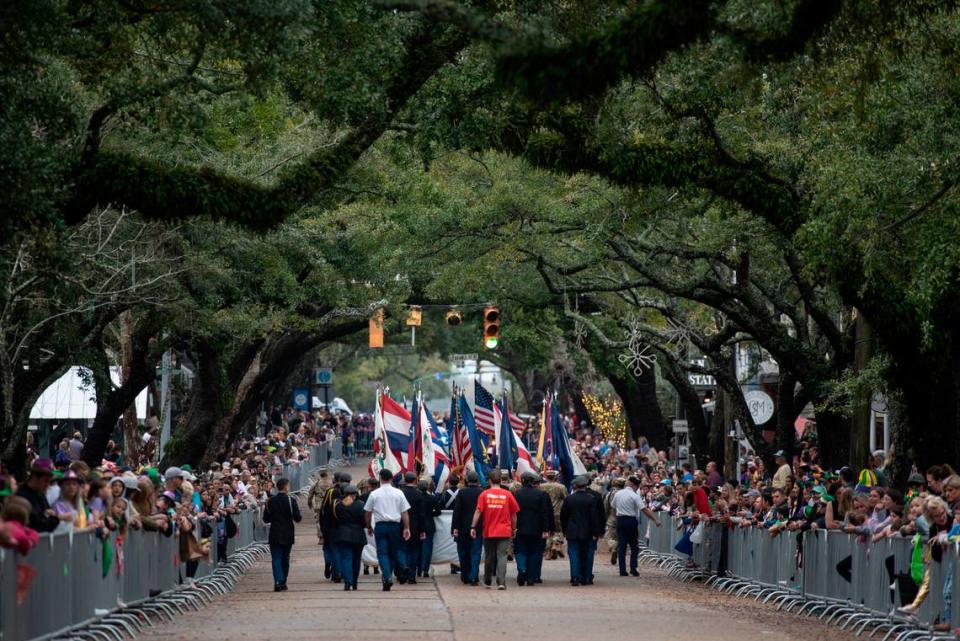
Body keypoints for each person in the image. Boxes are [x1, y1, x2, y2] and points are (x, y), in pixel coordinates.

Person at [470, 469, 519, 590]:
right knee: (502, 556)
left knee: (489, 555)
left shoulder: (484, 494)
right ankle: (501, 581)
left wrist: (473, 526)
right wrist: (514, 528)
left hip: (489, 530)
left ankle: (487, 580)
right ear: (501, 480)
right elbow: (514, 514)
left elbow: (478, 511)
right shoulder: (508, 494)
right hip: (504, 530)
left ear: (490, 480)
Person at [364, 468, 411, 591]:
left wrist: (369, 526)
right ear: (391, 479)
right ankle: (399, 566)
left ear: (380, 479)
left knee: (382, 553)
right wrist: (406, 528)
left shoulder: (374, 494)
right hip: (395, 526)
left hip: (380, 526)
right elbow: (404, 512)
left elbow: (368, 512)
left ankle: (387, 577)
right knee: (394, 551)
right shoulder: (399, 493)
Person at [612, 476, 661, 577]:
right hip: (630, 520)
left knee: (622, 545)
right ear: (635, 486)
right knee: (634, 545)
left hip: (620, 519)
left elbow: (613, 507)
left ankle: (622, 569)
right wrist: (655, 520)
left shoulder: (618, 494)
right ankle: (633, 568)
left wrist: (616, 517)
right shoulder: (634, 496)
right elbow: (644, 509)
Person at [560, 475, 602, 586]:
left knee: (574, 554)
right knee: (588, 554)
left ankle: (575, 577)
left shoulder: (569, 499)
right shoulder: (591, 498)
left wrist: (564, 530)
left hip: (572, 530)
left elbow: (563, 516)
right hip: (588, 531)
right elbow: (594, 517)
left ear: (575, 486)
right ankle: (587, 577)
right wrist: (595, 532)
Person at [262, 477, 302, 592]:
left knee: (276, 558)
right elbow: (297, 518)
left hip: (274, 531)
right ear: (286, 487)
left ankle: (278, 580)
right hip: (288, 532)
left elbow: (266, 518)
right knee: (285, 558)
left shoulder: (270, 501)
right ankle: (283, 580)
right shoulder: (291, 500)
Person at [513, 472, 552, 586]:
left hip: (520, 527)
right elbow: (544, 513)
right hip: (537, 528)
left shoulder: (516, 494)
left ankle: (522, 569)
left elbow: (513, 512)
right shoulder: (541, 494)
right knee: (535, 553)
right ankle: (530, 577)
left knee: (520, 550)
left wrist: (512, 527)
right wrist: (546, 529)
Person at [451, 472, 483, 585]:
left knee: (463, 552)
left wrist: (454, 527)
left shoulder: (462, 492)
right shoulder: (482, 492)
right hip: (478, 527)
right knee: (475, 553)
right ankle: (474, 576)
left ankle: (465, 575)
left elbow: (457, 511)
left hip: (462, 527)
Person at [332, 484, 366, 591]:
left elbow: (335, 520)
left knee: (346, 559)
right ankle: (354, 582)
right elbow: (364, 521)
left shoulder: (337, 505)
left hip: (342, 534)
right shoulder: (361, 505)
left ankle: (347, 582)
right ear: (356, 494)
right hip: (358, 535)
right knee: (356, 560)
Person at [16, 459, 60, 533]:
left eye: (50, 481)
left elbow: (51, 520)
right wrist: (47, 516)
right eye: (45, 481)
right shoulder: (21, 496)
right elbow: (35, 524)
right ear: (34, 477)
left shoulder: (40, 493)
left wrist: (49, 517)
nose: (48, 485)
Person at [398, 471, 425, 584]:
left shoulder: (399, 493)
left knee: (401, 549)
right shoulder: (419, 494)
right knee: (414, 551)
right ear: (415, 480)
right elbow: (421, 514)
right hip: (415, 527)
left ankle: (403, 568)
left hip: (400, 525)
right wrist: (422, 530)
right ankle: (412, 577)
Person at [540, 470, 568, 559]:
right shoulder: (561, 487)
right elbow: (566, 499)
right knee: (558, 530)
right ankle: (556, 544)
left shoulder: (541, 486)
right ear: (555, 477)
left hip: (545, 512)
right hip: (557, 512)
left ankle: (548, 552)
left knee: (547, 531)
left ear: (546, 477)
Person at [418, 478, 441, 578]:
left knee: (417, 548)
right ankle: (425, 569)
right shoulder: (432, 498)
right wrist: (430, 513)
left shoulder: (416, 497)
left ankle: (418, 569)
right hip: (429, 525)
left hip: (417, 526)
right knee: (427, 549)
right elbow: (438, 512)